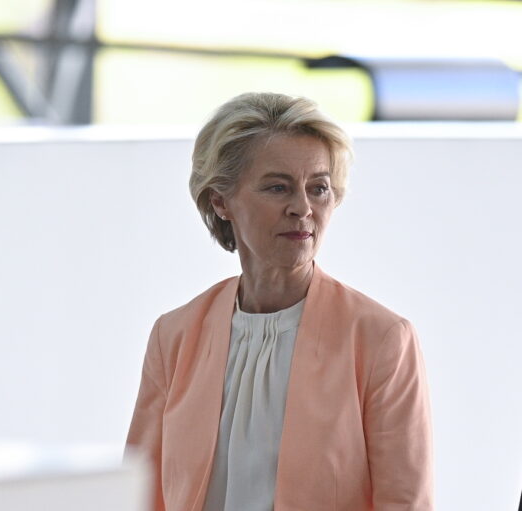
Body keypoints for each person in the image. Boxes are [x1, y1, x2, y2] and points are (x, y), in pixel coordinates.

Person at [126, 92, 433, 511]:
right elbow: (139, 495)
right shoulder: (174, 335)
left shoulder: (382, 340)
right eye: (278, 187)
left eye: (319, 188)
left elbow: (405, 503)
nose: (303, 208)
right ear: (221, 201)